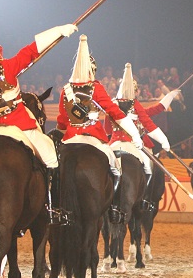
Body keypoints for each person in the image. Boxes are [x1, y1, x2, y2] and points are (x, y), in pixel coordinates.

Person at [0, 13, 77, 225]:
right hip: (20, 126)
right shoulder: (8, 67)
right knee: (51, 158)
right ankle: (52, 208)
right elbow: (31, 50)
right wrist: (59, 30)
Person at [55, 35, 145, 223]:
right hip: (94, 138)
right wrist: (135, 133)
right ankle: (112, 207)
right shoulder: (95, 88)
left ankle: (53, 208)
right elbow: (115, 113)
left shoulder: (66, 90)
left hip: (70, 139)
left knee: (53, 169)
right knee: (117, 170)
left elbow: (62, 122)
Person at [107, 63, 180, 218]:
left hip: (115, 143)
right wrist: (163, 140)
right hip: (134, 144)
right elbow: (148, 123)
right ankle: (144, 198)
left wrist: (168, 97)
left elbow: (155, 109)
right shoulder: (134, 105)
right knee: (147, 166)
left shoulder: (114, 104)